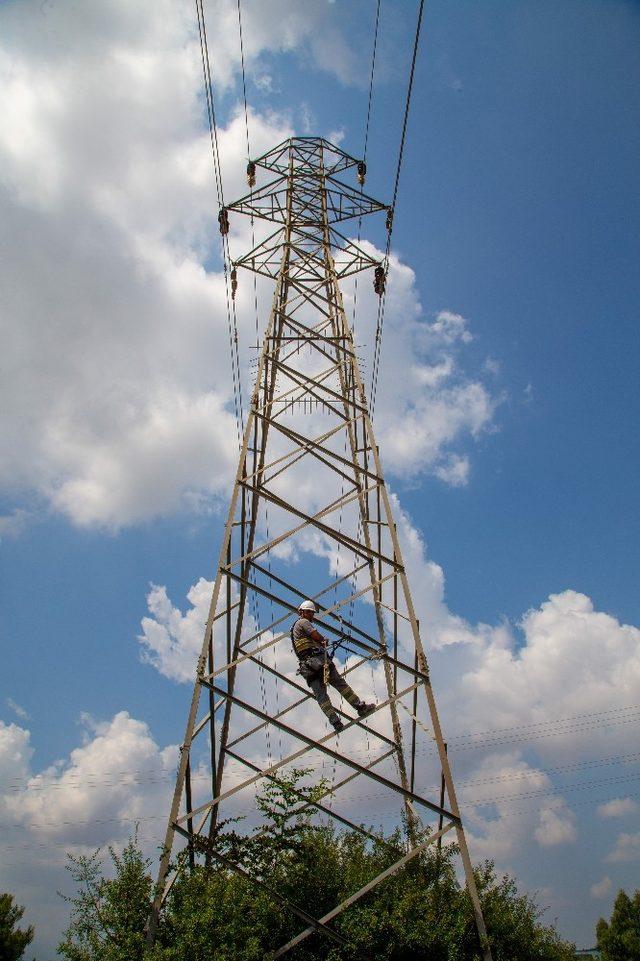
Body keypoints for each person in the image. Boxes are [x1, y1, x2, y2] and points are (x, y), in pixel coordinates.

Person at [291, 600, 375, 733]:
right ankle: (360, 707)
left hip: (308, 668)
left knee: (321, 696)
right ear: (302, 612)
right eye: (310, 613)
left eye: (312, 613)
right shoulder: (303, 622)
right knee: (340, 684)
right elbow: (317, 636)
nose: (311, 616)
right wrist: (323, 640)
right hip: (318, 662)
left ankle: (335, 722)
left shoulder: (295, 629)